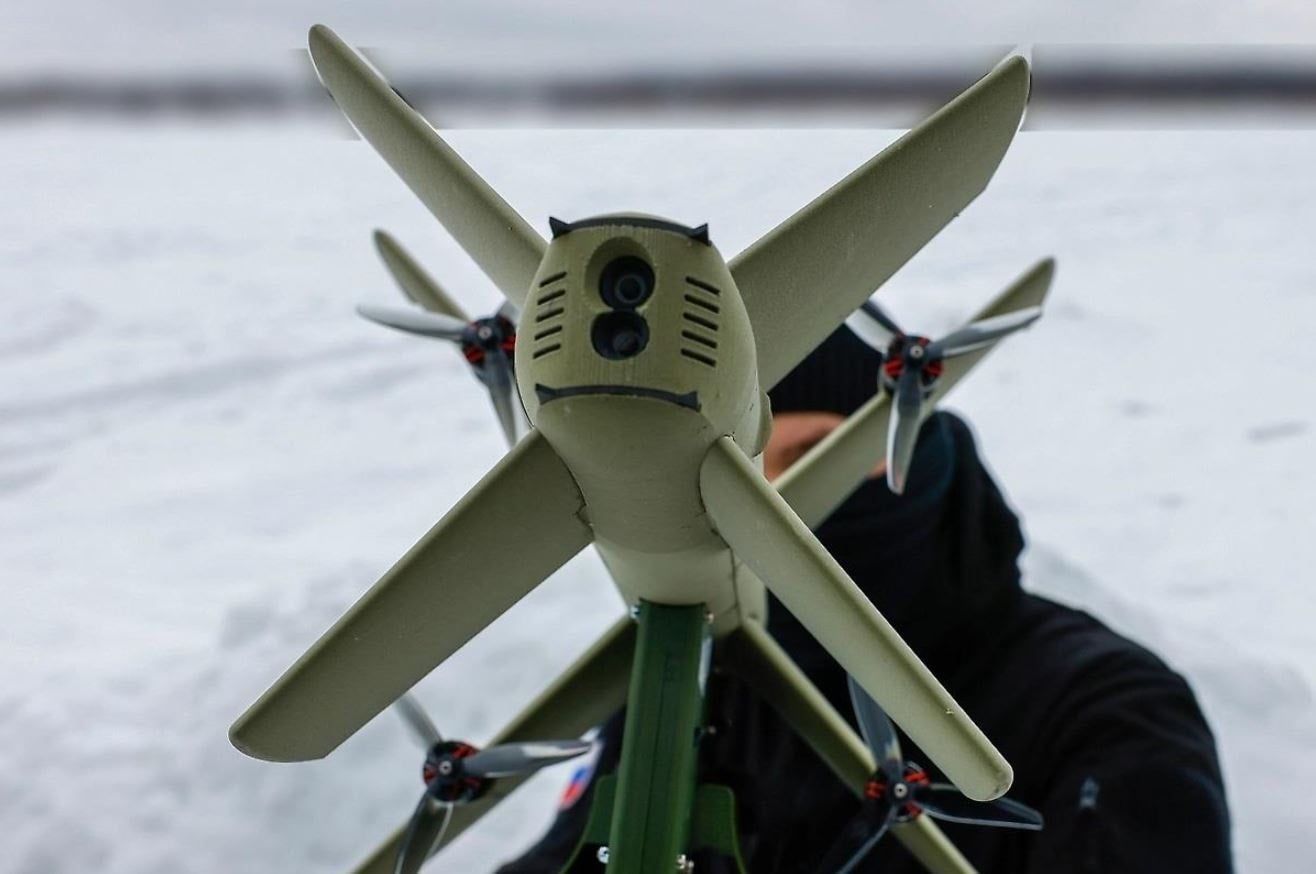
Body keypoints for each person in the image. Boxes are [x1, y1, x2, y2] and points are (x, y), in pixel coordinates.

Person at [498, 326, 1232, 873]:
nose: (784, 505)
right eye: (748, 480)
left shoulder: (1103, 708)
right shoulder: (701, 683)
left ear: (915, 453)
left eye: (819, 456)